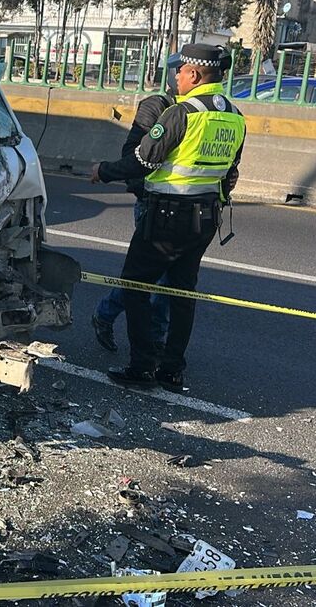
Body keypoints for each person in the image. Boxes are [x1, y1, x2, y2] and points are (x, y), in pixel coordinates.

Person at [89, 43, 245, 392]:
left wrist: (103, 172)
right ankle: (172, 369)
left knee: (135, 286)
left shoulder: (184, 113)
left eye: (180, 70)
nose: (176, 76)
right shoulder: (234, 115)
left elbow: (141, 161)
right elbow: (230, 171)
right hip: (205, 217)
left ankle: (142, 366)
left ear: (193, 74)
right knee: (183, 293)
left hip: (166, 216)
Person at [90, 55, 179, 353]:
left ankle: (147, 334)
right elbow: (133, 152)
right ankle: (144, 335)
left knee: (165, 277)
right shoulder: (157, 106)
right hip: (152, 202)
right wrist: (109, 173)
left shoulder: (200, 110)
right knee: (154, 275)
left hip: (181, 206)